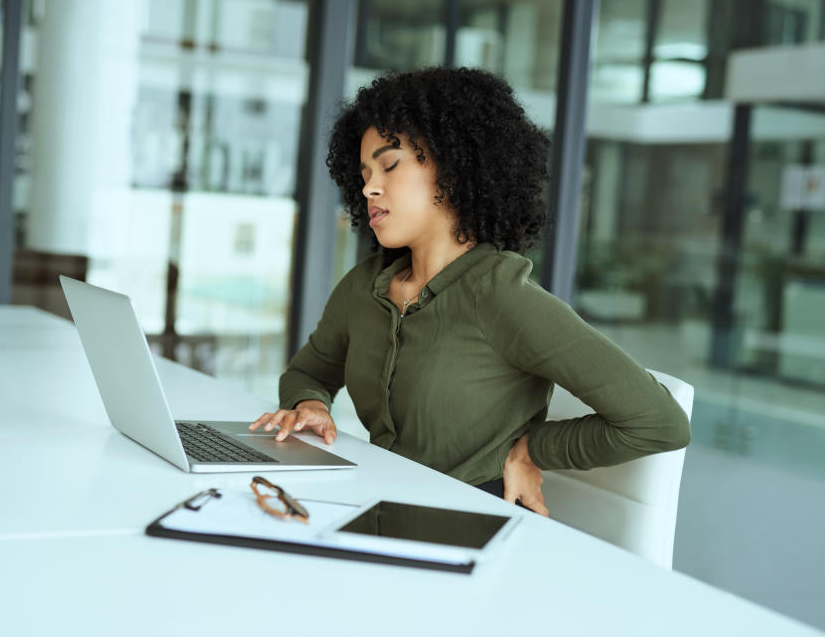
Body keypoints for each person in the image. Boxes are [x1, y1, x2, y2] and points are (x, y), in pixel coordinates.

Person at [250, 67, 690, 515]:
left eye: (389, 164)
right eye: (363, 172)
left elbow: (657, 421)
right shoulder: (365, 286)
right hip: (378, 507)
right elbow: (309, 372)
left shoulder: (501, 295)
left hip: (468, 526)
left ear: (454, 170)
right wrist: (310, 406)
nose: (369, 187)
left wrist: (533, 449)